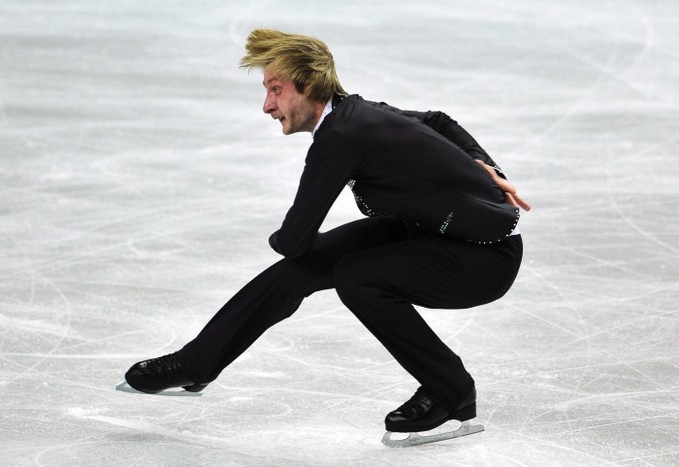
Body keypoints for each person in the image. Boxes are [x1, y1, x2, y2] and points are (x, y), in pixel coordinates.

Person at [124, 28, 530, 436]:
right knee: (303, 269)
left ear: (307, 84)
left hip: (481, 258)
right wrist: (483, 164)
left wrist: (486, 169)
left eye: (276, 90)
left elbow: (293, 239)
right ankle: (198, 362)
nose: (267, 106)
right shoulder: (356, 115)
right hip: (433, 234)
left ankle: (451, 391)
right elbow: (437, 121)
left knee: (356, 276)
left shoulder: (342, 135)